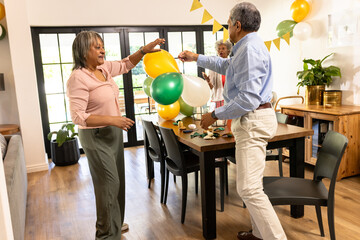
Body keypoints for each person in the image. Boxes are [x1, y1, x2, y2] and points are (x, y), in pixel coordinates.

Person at [178, 2, 287, 240]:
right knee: (252, 185)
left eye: (228, 22)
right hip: (251, 119)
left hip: (253, 119)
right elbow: (225, 64)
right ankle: (259, 233)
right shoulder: (245, 47)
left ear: (237, 24)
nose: (227, 26)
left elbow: (248, 99)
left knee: (249, 188)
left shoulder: (249, 50)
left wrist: (214, 115)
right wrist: (196, 57)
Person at [67, 30, 165, 240]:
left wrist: (143, 51)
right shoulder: (78, 77)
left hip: (113, 133)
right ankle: (104, 234)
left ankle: (116, 223)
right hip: (96, 136)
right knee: (108, 184)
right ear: (84, 51)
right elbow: (78, 116)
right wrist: (113, 119)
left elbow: (126, 64)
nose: (102, 50)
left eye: (102, 45)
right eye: (97, 46)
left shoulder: (103, 68)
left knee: (117, 181)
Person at [202, 39, 232, 108]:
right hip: (218, 100)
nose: (220, 50)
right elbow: (211, 87)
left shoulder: (233, 64)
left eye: (223, 48)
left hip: (231, 100)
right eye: (219, 49)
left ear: (228, 51)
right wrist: (208, 81)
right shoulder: (214, 66)